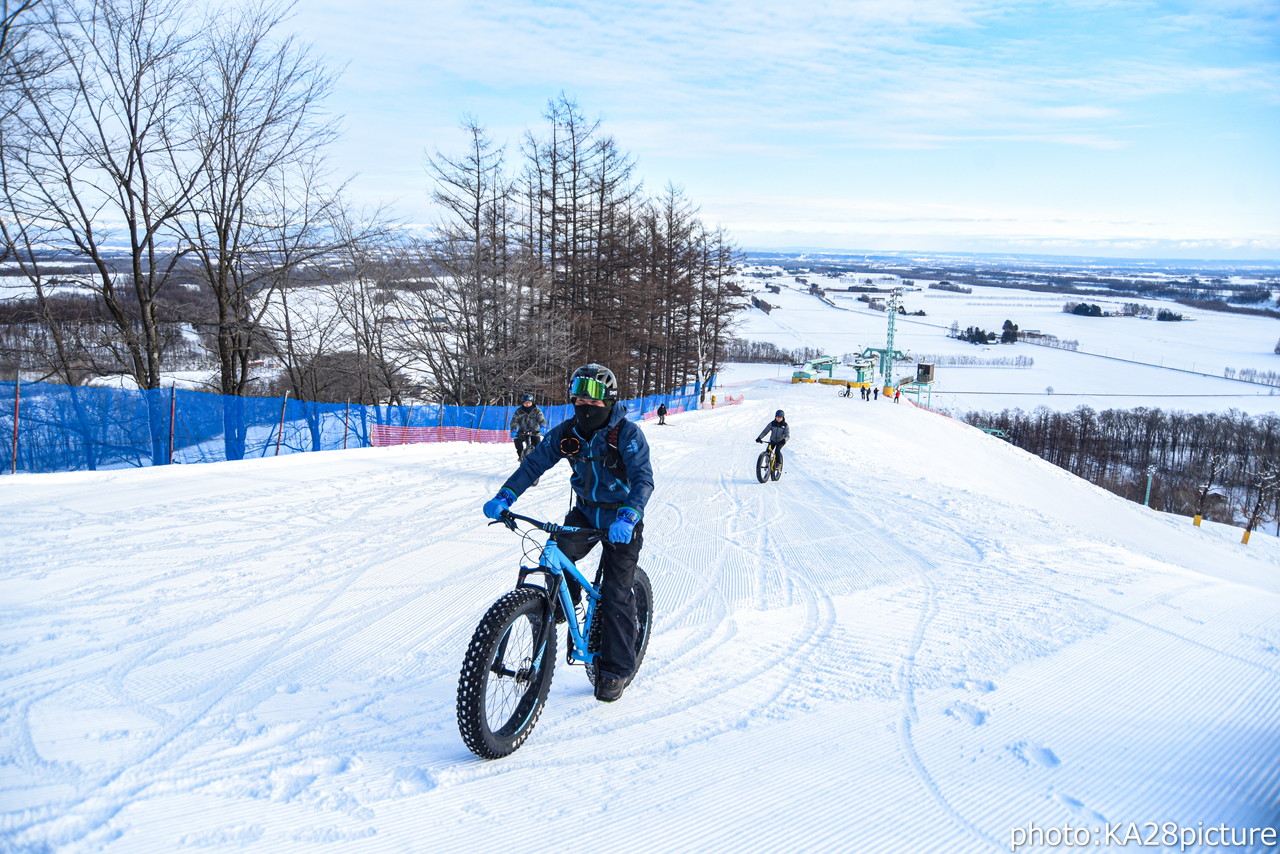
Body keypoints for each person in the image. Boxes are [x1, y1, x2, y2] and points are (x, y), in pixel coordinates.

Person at [483, 364, 654, 704]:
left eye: (592, 397)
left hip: (621, 519)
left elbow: (643, 480)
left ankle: (615, 670)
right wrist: (506, 495)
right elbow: (534, 464)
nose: (583, 403)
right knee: (555, 556)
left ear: (608, 399)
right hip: (585, 512)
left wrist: (630, 514)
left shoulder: (627, 435)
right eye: (577, 394)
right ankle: (559, 605)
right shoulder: (568, 432)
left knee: (616, 592)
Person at [509, 393, 546, 460]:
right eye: (525, 402)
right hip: (523, 431)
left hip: (535, 431)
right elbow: (514, 421)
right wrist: (513, 430)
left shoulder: (537, 410)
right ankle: (521, 455)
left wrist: (542, 426)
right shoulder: (519, 411)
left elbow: (541, 419)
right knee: (517, 440)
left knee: (538, 447)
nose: (527, 404)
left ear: (532, 402)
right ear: (523, 403)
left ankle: (538, 459)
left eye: (529, 402)